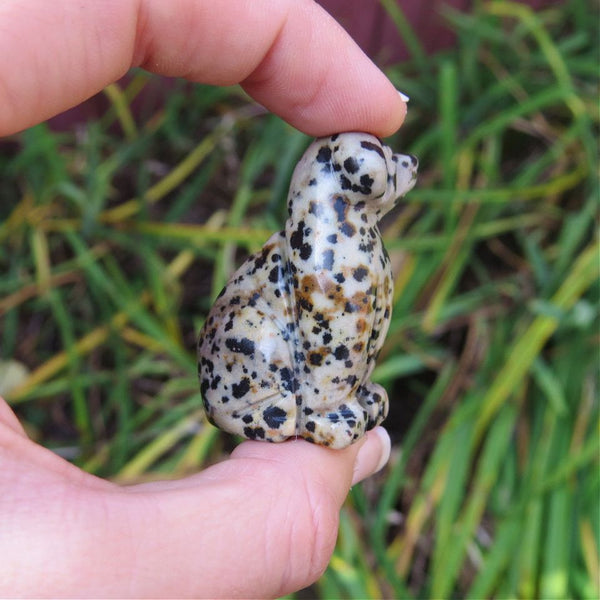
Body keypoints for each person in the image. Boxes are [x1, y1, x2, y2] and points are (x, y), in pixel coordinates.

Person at [0, 1, 407, 597]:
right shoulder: (325, 247)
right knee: (300, 333)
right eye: (386, 172)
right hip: (265, 383)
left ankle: (321, 407)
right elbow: (334, 333)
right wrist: (329, 413)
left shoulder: (348, 237)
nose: (399, 176)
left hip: (297, 374)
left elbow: (358, 331)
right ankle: (309, 411)